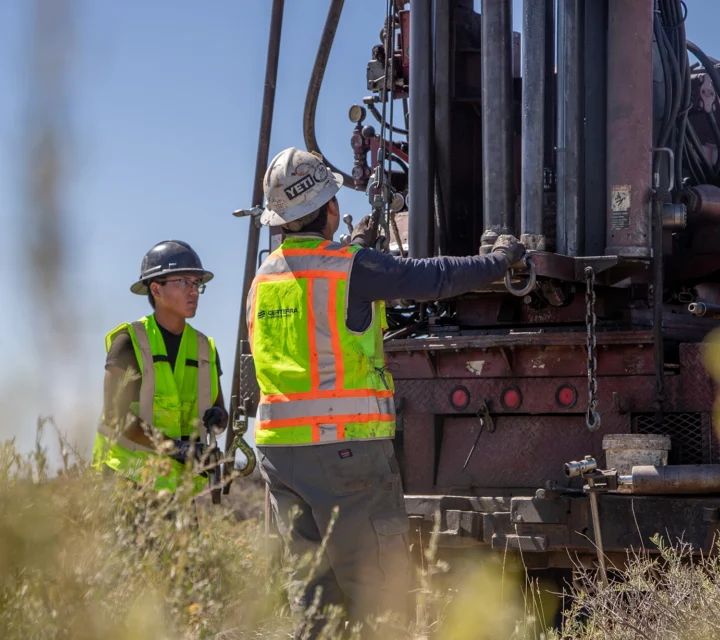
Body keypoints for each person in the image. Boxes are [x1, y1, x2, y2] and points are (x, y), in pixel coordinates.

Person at [249, 147, 526, 638]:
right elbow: (434, 276)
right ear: (330, 208)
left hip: (280, 456)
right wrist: (498, 259)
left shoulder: (264, 279)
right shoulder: (351, 268)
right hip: (343, 452)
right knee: (381, 599)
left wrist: (356, 246)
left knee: (317, 605)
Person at [92, 240, 228, 495]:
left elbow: (219, 411)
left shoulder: (204, 348)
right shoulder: (129, 342)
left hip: (177, 489)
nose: (194, 291)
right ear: (155, 289)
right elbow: (116, 416)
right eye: (184, 282)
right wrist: (180, 449)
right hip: (128, 482)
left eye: (197, 284)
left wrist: (218, 419)